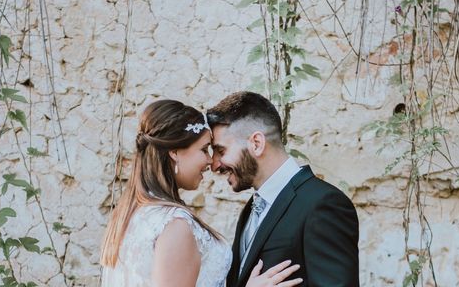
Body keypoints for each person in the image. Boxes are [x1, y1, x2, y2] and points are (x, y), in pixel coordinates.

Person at [100, 99, 302, 287]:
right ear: (175, 153)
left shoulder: (132, 213)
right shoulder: (173, 224)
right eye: (205, 149)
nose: (210, 162)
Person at [207, 91, 360, 287]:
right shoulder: (253, 207)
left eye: (221, 151)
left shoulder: (322, 204)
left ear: (256, 143)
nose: (214, 165)